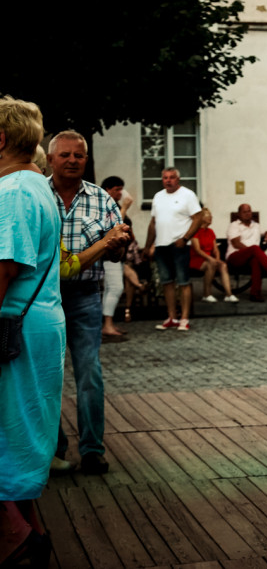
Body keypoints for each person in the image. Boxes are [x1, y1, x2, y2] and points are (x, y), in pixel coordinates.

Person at [0, 97, 65, 566]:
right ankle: (31, 537)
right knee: (17, 432)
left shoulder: (14, 192)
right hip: (35, 321)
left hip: (14, 324)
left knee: (10, 432)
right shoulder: (35, 185)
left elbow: (4, 268)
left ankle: (19, 540)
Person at [47, 130, 127, 475]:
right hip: (45, 299)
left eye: (78, 155)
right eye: (65, 155)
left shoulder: (100, 198)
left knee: (89, 373)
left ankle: (92, 449)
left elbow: (115, 253)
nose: (72, 161)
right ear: (51, 159)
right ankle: (54, 449)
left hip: (84, 297)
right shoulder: (37, 195)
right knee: (48, 376)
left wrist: (119, 243)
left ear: (86, 159)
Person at [144, 168, 202, 331]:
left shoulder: (187, 195)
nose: (168, 180)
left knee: (183, 281)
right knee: (166, 282)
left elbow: (198, 218)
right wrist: (148, 245)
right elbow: (153, 222)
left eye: (171, 178)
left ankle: (184, 318)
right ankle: (172, 317)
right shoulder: (158, 196)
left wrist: (185, 238)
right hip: (161, 244)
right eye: (165, 178)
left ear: (178, 179)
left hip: (179, 245)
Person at [225, 203, 267, 302]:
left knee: (255, 261)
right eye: (244, 212)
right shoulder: (234, 225)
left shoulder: (256, 225)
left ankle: (255, 294)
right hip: (235, 256)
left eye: (249, 211)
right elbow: (235, 243)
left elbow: (266, 232)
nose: (247, 214)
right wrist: (252, 250)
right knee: (254, 249)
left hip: (250, 257)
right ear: (239, 214)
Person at [190, 208, 238, 303]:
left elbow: (215, 249)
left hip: (209, 258)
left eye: (211, 215)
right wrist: (211, 259)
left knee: (223, 265)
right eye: (208, 215)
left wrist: (217, 259)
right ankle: (206, 294)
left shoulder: (210, 231)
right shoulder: (195, 231)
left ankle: (229, 294)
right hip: (197, 258)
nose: (211, 217)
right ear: (201, 218)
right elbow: (197, 249)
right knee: (210, 264)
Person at [100, 176, 127, 340]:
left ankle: (107, 323)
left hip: (118, 254)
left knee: (110, 288)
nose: (120, 193)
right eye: (117, 189)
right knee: (116, 287)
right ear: (108, 190)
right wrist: (125, 207)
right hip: (109, 253)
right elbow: (115, 226)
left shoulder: (112, 205)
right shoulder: (106, 205)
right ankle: (107, 324)